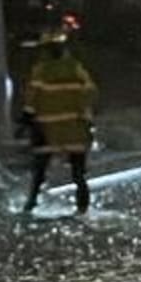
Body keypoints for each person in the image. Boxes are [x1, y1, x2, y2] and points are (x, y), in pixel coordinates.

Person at [20, 32, 98, 214]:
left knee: (40, 169)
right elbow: (91, 93)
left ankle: (31, 203)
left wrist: (26, 117)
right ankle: (83, 206)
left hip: (47, 128)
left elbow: (32, 98)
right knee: (78, 172)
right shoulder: (76, 69)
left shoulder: (41, 71)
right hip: (75, 128)